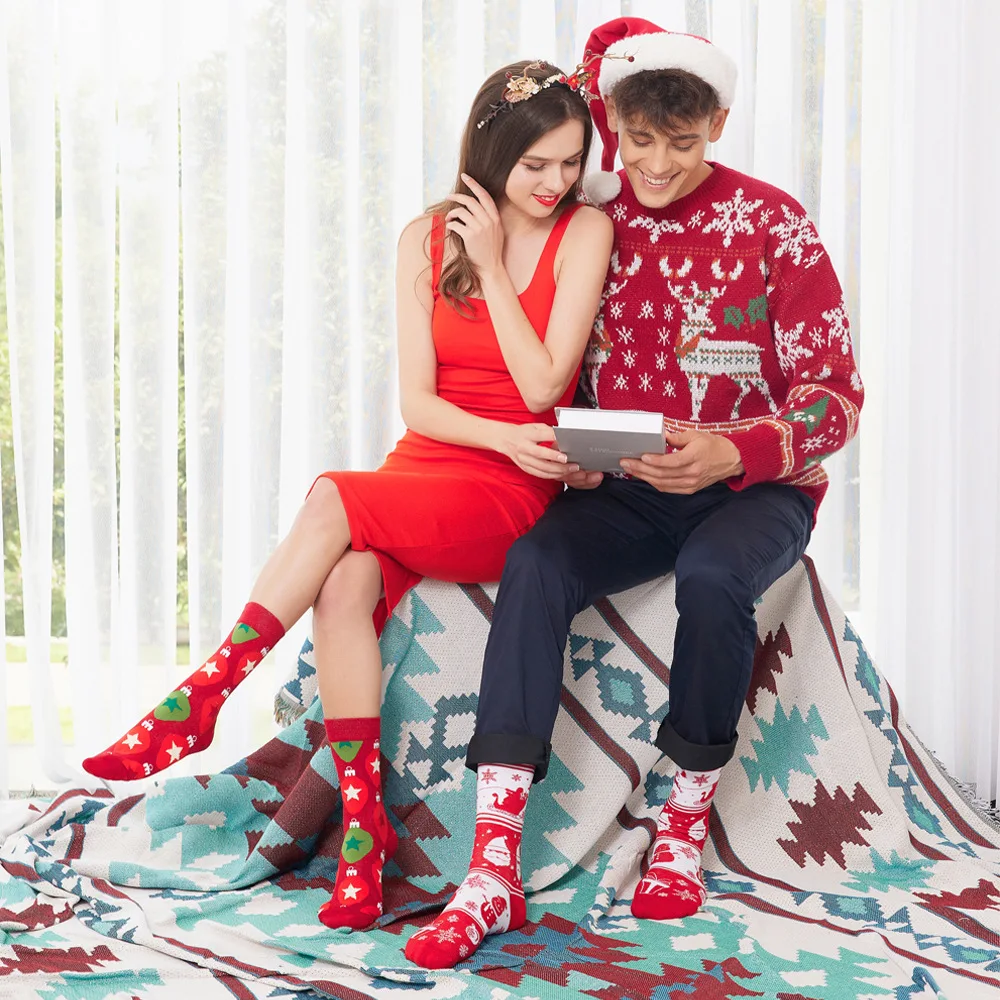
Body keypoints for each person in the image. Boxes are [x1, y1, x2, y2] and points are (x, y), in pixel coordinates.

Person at [81, 59, 614, 932]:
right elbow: (419, 404)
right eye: (535, 164)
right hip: (430, 461)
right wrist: (491, 420)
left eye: (570, 161)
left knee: (332, 494)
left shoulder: (585, 231)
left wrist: (492, 267)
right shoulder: (424, 237)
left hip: (512, 484)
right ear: (491, 154)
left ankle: (206, 694)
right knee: (341, 586)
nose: (556, 181)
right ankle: (365, 837)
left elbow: (543, 381)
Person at [404, 18, 864, 969]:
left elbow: (836, 400)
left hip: (754, 492)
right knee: (536, 562)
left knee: (712, 577)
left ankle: (682, 820)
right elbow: (557, 371)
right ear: (612, 124)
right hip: (625, 486)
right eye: (639, 139)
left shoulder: (774, 224)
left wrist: (732, 451)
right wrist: (575, 454)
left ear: (719, 125)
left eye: (681, 143)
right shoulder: (588, 224)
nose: (655, 164)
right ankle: (492, 864)